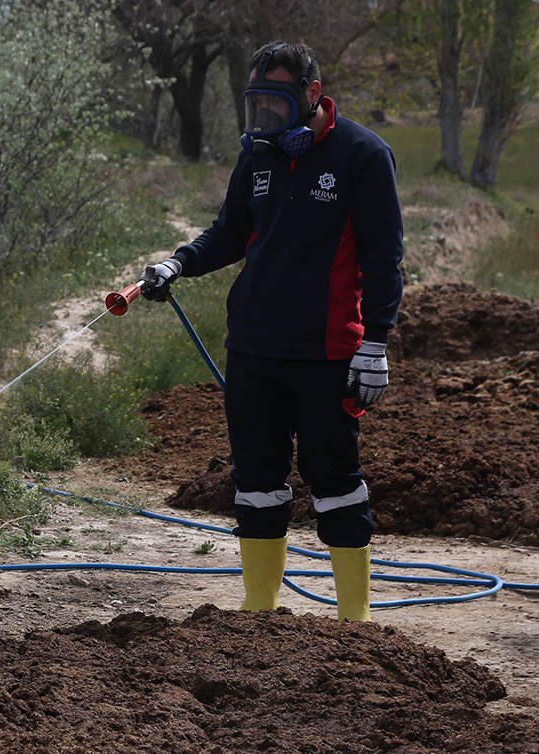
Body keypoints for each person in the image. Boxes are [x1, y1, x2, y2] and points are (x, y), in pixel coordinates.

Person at [137, 41, 404, 621]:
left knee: (334, 479)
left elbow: (385, 259)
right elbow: (230, 233)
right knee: (256, 479)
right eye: (257, 104)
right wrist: (176, 264)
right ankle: (260, 613)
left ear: (312, 94)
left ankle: (353, 623)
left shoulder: (363, 155)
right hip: (253, 349)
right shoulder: (256, 157)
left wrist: (376, 343)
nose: (266, 118)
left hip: (328, 352)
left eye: (277, 104)